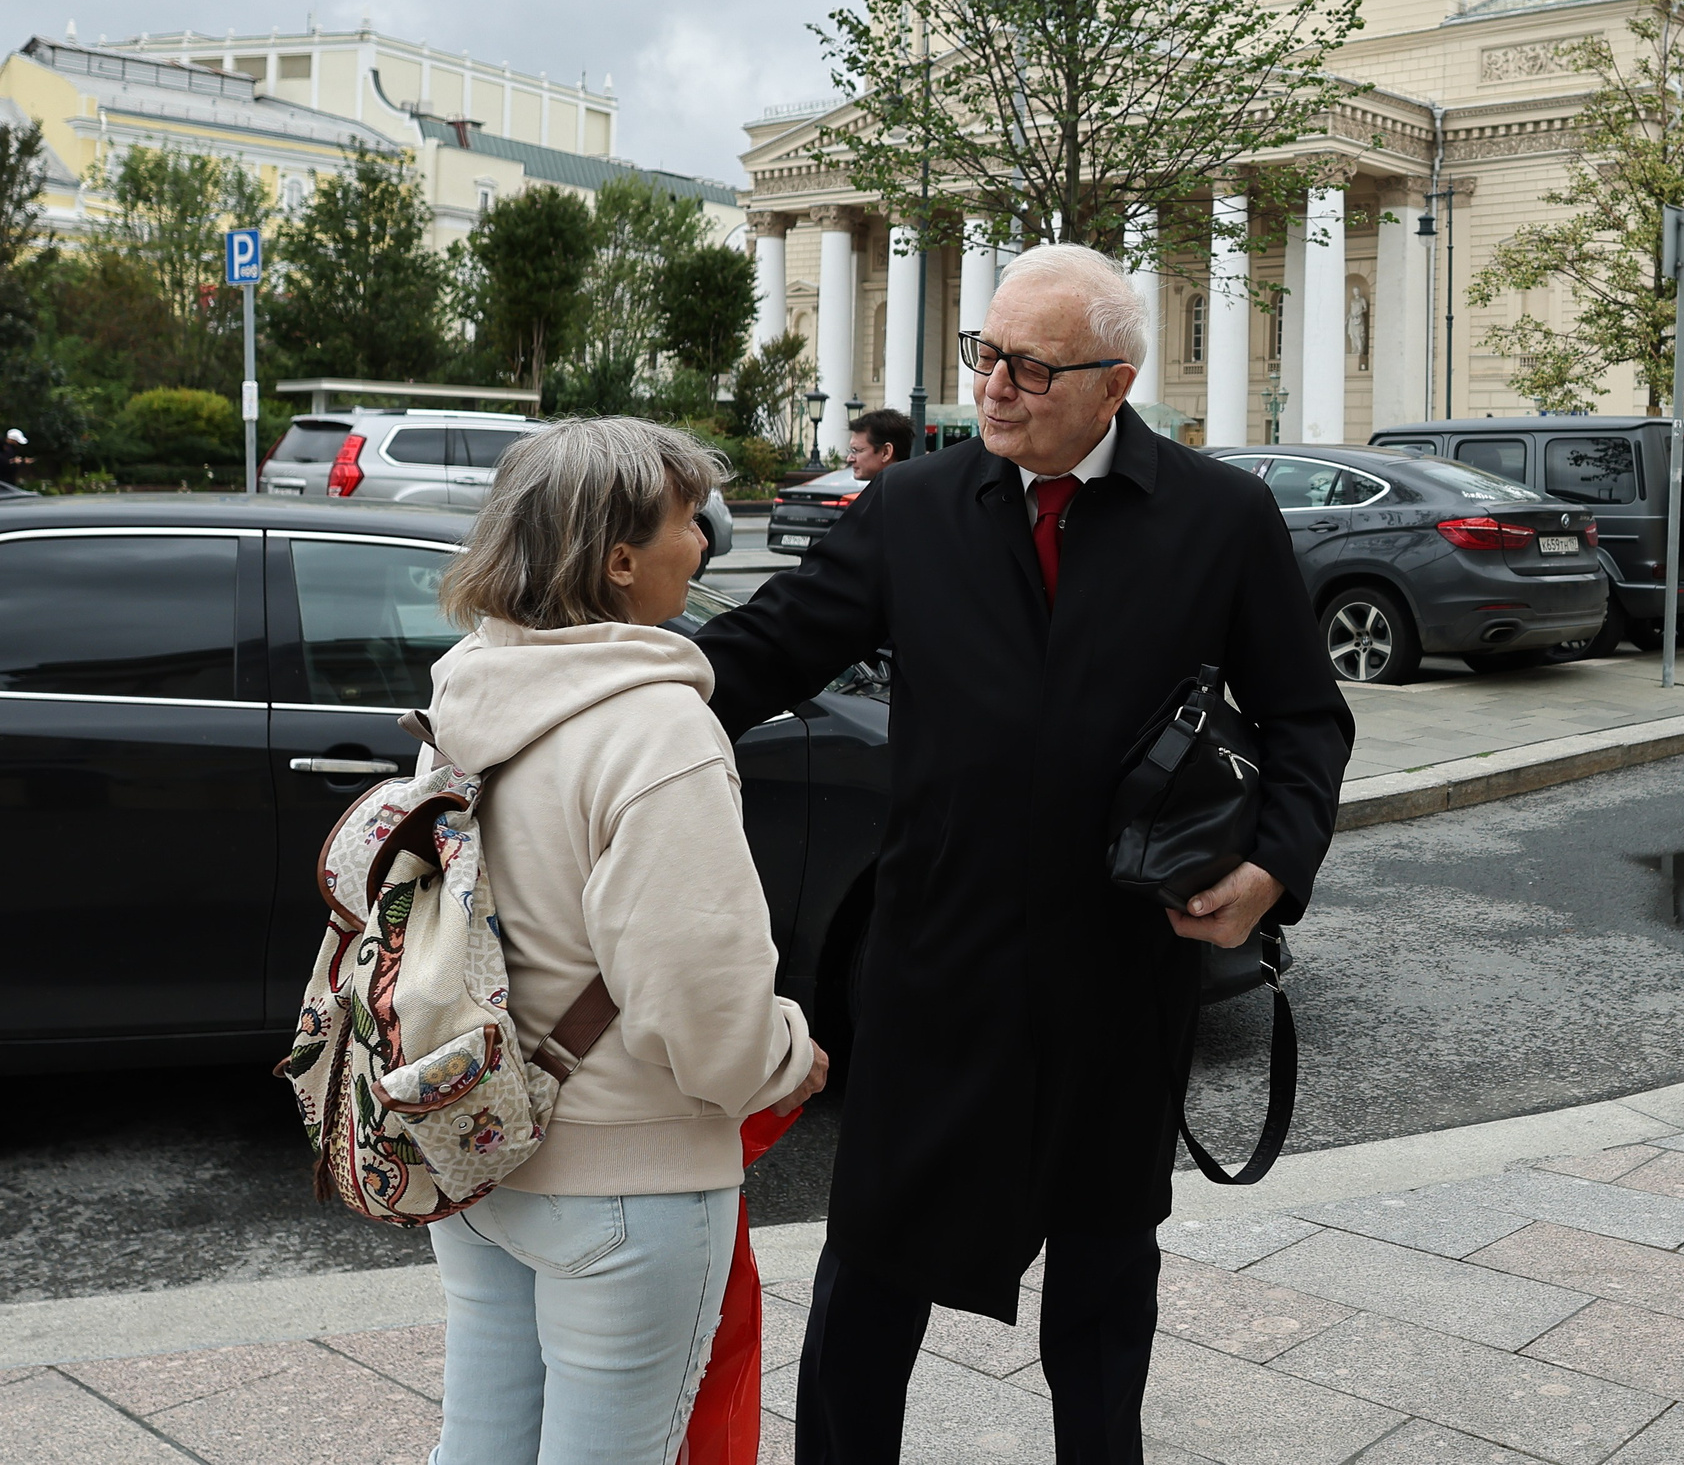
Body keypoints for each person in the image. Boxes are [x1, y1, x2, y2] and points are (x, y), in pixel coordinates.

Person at [696, 243, 1352, 1465]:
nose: (992, 387)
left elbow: (1306, 719)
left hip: (1120, 973)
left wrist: (1272, 867)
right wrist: (590, 689)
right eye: (985, 354)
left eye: (1031, 368)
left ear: (1117, 384)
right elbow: (761, 652)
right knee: (869, 1280)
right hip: (935, 966)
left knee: (1103, 1289)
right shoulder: (911, 507)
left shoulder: (1219, 517)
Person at [423, 416, 829, 1465]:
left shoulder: (468, 684)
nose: (703, 542)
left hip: (478, 1147)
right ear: (618, 559)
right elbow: (701, 997)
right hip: (625, 1179)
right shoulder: (657, 727)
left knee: (483, 1445)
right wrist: (788, 1056)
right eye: (688, 519)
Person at [844, 408, 912, 484]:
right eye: (852, 451)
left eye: (857, 450)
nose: (849, 459)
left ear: (886, 453)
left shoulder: (894, 490)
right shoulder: (907, 487)